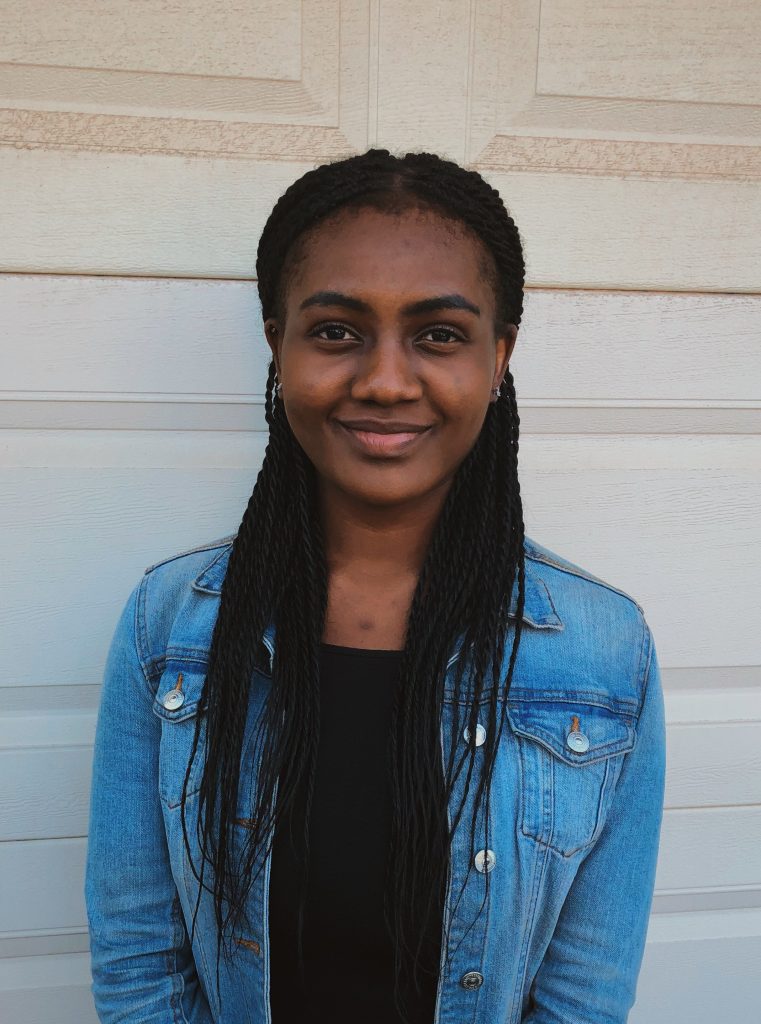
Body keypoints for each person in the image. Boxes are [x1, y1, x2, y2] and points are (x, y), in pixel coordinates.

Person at [85, 147, 666, 1024]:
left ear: (498, 355)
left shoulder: (602, 649)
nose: (387, 380)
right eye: (335, 331)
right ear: (277, 341)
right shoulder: (171, 625)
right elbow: (139, 959)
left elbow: (584, 996)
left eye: (438, 334)